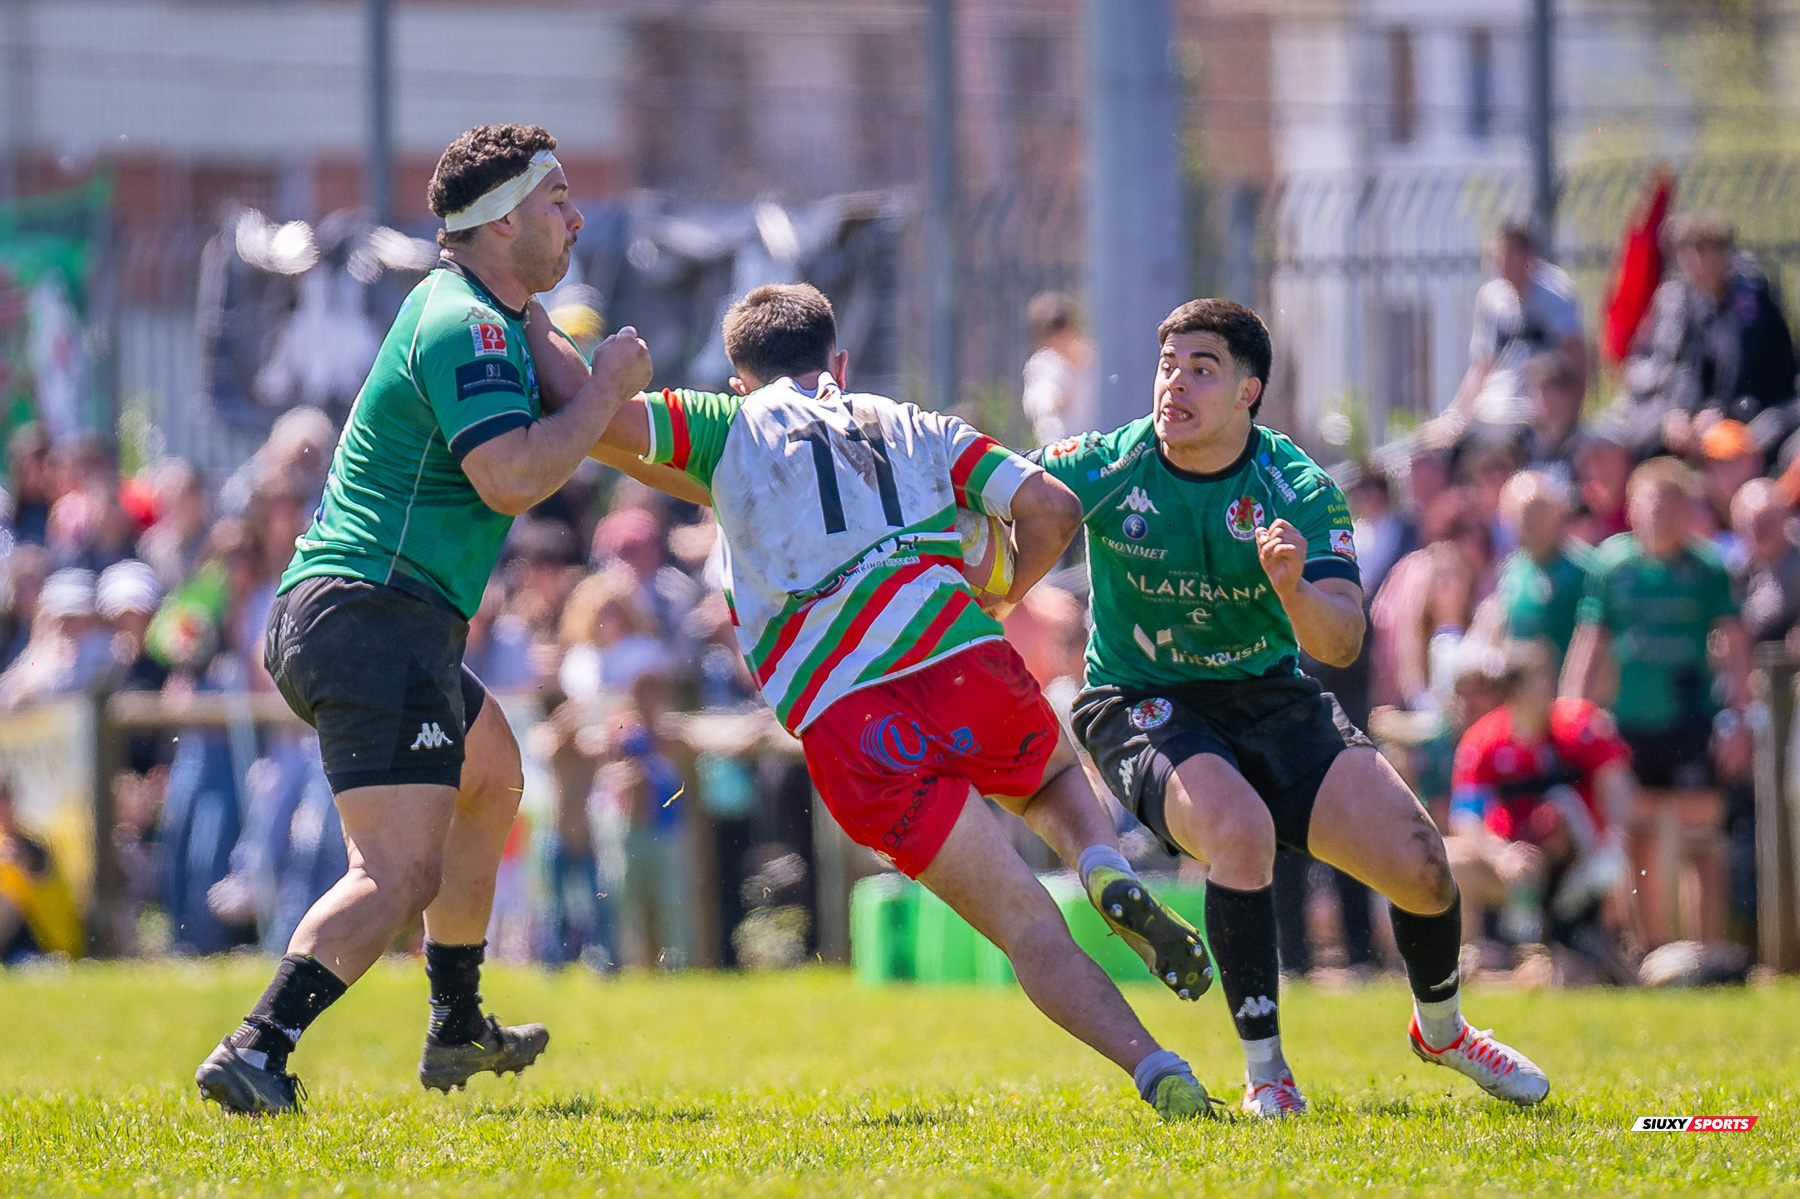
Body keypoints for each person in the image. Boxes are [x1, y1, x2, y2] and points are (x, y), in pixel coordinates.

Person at [573, 282, 1220, 1122]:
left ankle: (1157, 1067)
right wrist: (1003, 591)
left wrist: (586, 369)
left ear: (741, 379)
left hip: (850, 714)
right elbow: (1053, 507)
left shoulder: (728, 425)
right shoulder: (915, 422)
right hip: (958, 655)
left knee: (1024, 925)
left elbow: (606, 426)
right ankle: (1102, 865)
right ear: (837, 363)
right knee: (1056, 781)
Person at [194, 123, 656, 1115]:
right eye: (556, 199)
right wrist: (610, 381)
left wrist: (584, 365)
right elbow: (514, 474)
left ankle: (455, 1024)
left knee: (492, 777)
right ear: (496, 222)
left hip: (390, 616)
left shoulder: (498, 311)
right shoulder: (465, 324)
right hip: (372, 613)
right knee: (396, 870)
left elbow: (586, 415)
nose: (576, 216)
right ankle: (256, 1044)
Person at [1037, 298, 1549, 1117]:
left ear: (1249, 390)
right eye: (1169, 366)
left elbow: (1343, 640)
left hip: (1271, 694)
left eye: (1202, 369)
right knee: (1237, 831)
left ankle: (1444, 1029)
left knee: (1422, 863)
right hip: (1140, 700)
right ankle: (1267, 1072)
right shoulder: (1105, 462)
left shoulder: (1296, 486)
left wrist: (1293, 589)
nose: (1175, 385)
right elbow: (995, 489)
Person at [1561, 457, 1750, 948]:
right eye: (1651, 502)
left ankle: (1705, 954)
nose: (1661, 513)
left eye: (1672, 503)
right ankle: (1651, 955)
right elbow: (1590, 641)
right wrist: (1571, 714)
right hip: (1629, 721)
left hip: (1691, 718)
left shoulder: (1707, 567)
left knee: (1701, 839)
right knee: (1638, 838)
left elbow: (1734, 644)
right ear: (1632, 508)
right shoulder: (1611, 564)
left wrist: (1741, 719)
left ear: (1687, 509)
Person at [1447, 642, 1635, 984]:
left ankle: (1619, 954)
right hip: (1515, 871)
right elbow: (1465, 818)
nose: (1548, 690)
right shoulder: (1483, 740)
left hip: (1578, 871)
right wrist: (1501, 855)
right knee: (1448, 859)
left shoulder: (1579, 725)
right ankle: (1463, 968)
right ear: (1514, 689)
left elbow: (1617, 782)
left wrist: (1612, 841)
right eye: (1539, 682)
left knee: (1570, 819)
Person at [1622, 211, 1799, 461]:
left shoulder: (1749, 304)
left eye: (1704, 250)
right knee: (1639, 441)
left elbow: (1744, 374)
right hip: (1696, 412)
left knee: (1732, 449)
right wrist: (1680, 412)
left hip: (1759, 409)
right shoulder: (1683, 301)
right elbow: (1681, 367)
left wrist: (1719, 412)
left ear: (1725, 253)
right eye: (1686, 251)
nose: (1695, 262)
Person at [1448, 221, 1586, 431]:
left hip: (1540, 410)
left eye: (1511, 254)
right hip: (1498, 408)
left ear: (1530, 257)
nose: (1503, 263)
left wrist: (1570, 419)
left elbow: (1576, 359)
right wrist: (1454, 417)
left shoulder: (1556, 295)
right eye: (1498, 255)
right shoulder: (1491, 298)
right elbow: (1482, 366)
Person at [1486, 471, 1588, 671]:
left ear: (1557, 512)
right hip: (1521, 694)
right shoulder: (1511, 569)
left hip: (1565, 693)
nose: (1527, 520)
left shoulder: (1583, 569)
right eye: (1518, 512)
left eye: (1537, 510)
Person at [1020, 291, 1098, 447]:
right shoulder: (1042, 365)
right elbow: (1042, 404)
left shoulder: (1090, 356)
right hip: (1058, 448)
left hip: (1095, 443)